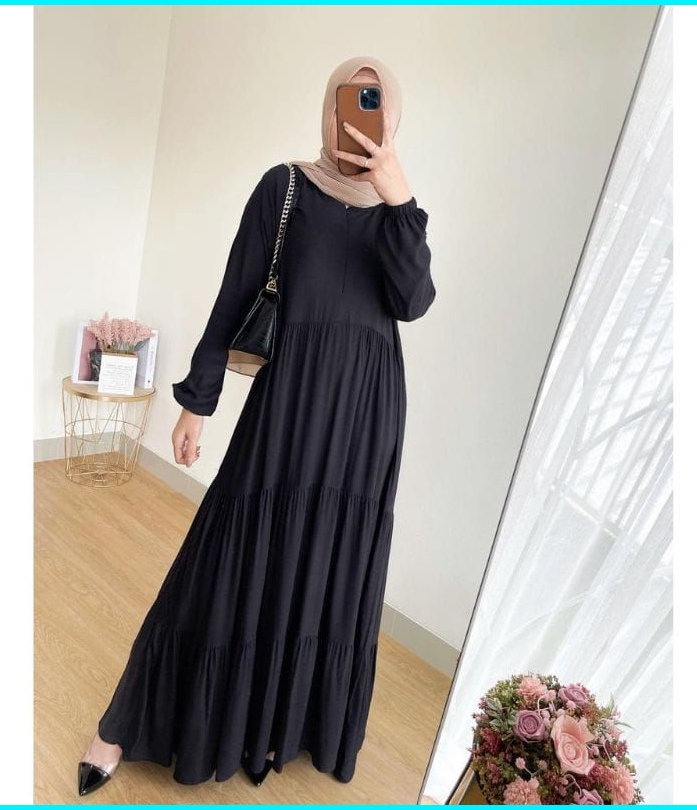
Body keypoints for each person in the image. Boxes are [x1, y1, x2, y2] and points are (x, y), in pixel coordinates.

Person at [77, 55, 436, 797]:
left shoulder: (397, 211)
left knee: (327, 564)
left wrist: (400, 197)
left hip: (366, 419)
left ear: (393, 120)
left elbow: (413, 302)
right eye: (346, 103)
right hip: (288, 405)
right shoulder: (285, 187)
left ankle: (281, 725)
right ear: (328, 109)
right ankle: (123, 724)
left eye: (374, 106)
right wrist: (196, 402)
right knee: (228, 553)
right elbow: (236, 293)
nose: (354, 121)